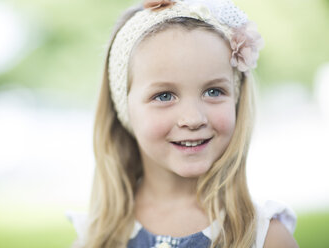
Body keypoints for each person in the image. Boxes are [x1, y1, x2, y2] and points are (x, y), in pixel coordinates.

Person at [68, 0, 298, 247]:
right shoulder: (100, 235)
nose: (193, 119)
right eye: (164, 96)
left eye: (213, 92)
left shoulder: (264, 236)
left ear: (237, 99)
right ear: (124, 107)